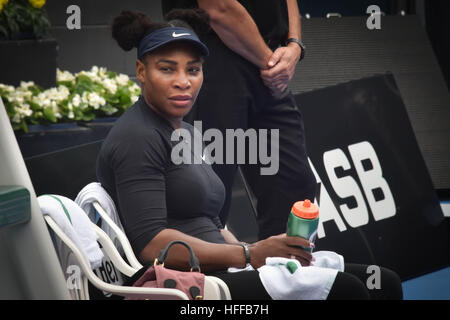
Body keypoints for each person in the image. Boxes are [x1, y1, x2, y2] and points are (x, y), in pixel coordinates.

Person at [96, 10, 403, 300]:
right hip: (196, 286)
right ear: (141, 71)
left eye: (193, 69)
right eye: (167, 69)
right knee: (348, 291)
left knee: (383, 283)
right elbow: (151, 245)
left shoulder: (187, 132)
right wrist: (248, 255)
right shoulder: (137, 136)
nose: (183, 81)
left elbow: (213, 224)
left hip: (227, 268)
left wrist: (257, 252)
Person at [161, 0, 317, 241]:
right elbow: (220, 9)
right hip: (215, 61)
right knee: (207, 195)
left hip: (268, 67)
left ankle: (286, 273)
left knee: (294, 187)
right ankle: (199, 277)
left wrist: (294, 43)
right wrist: (274, 65)